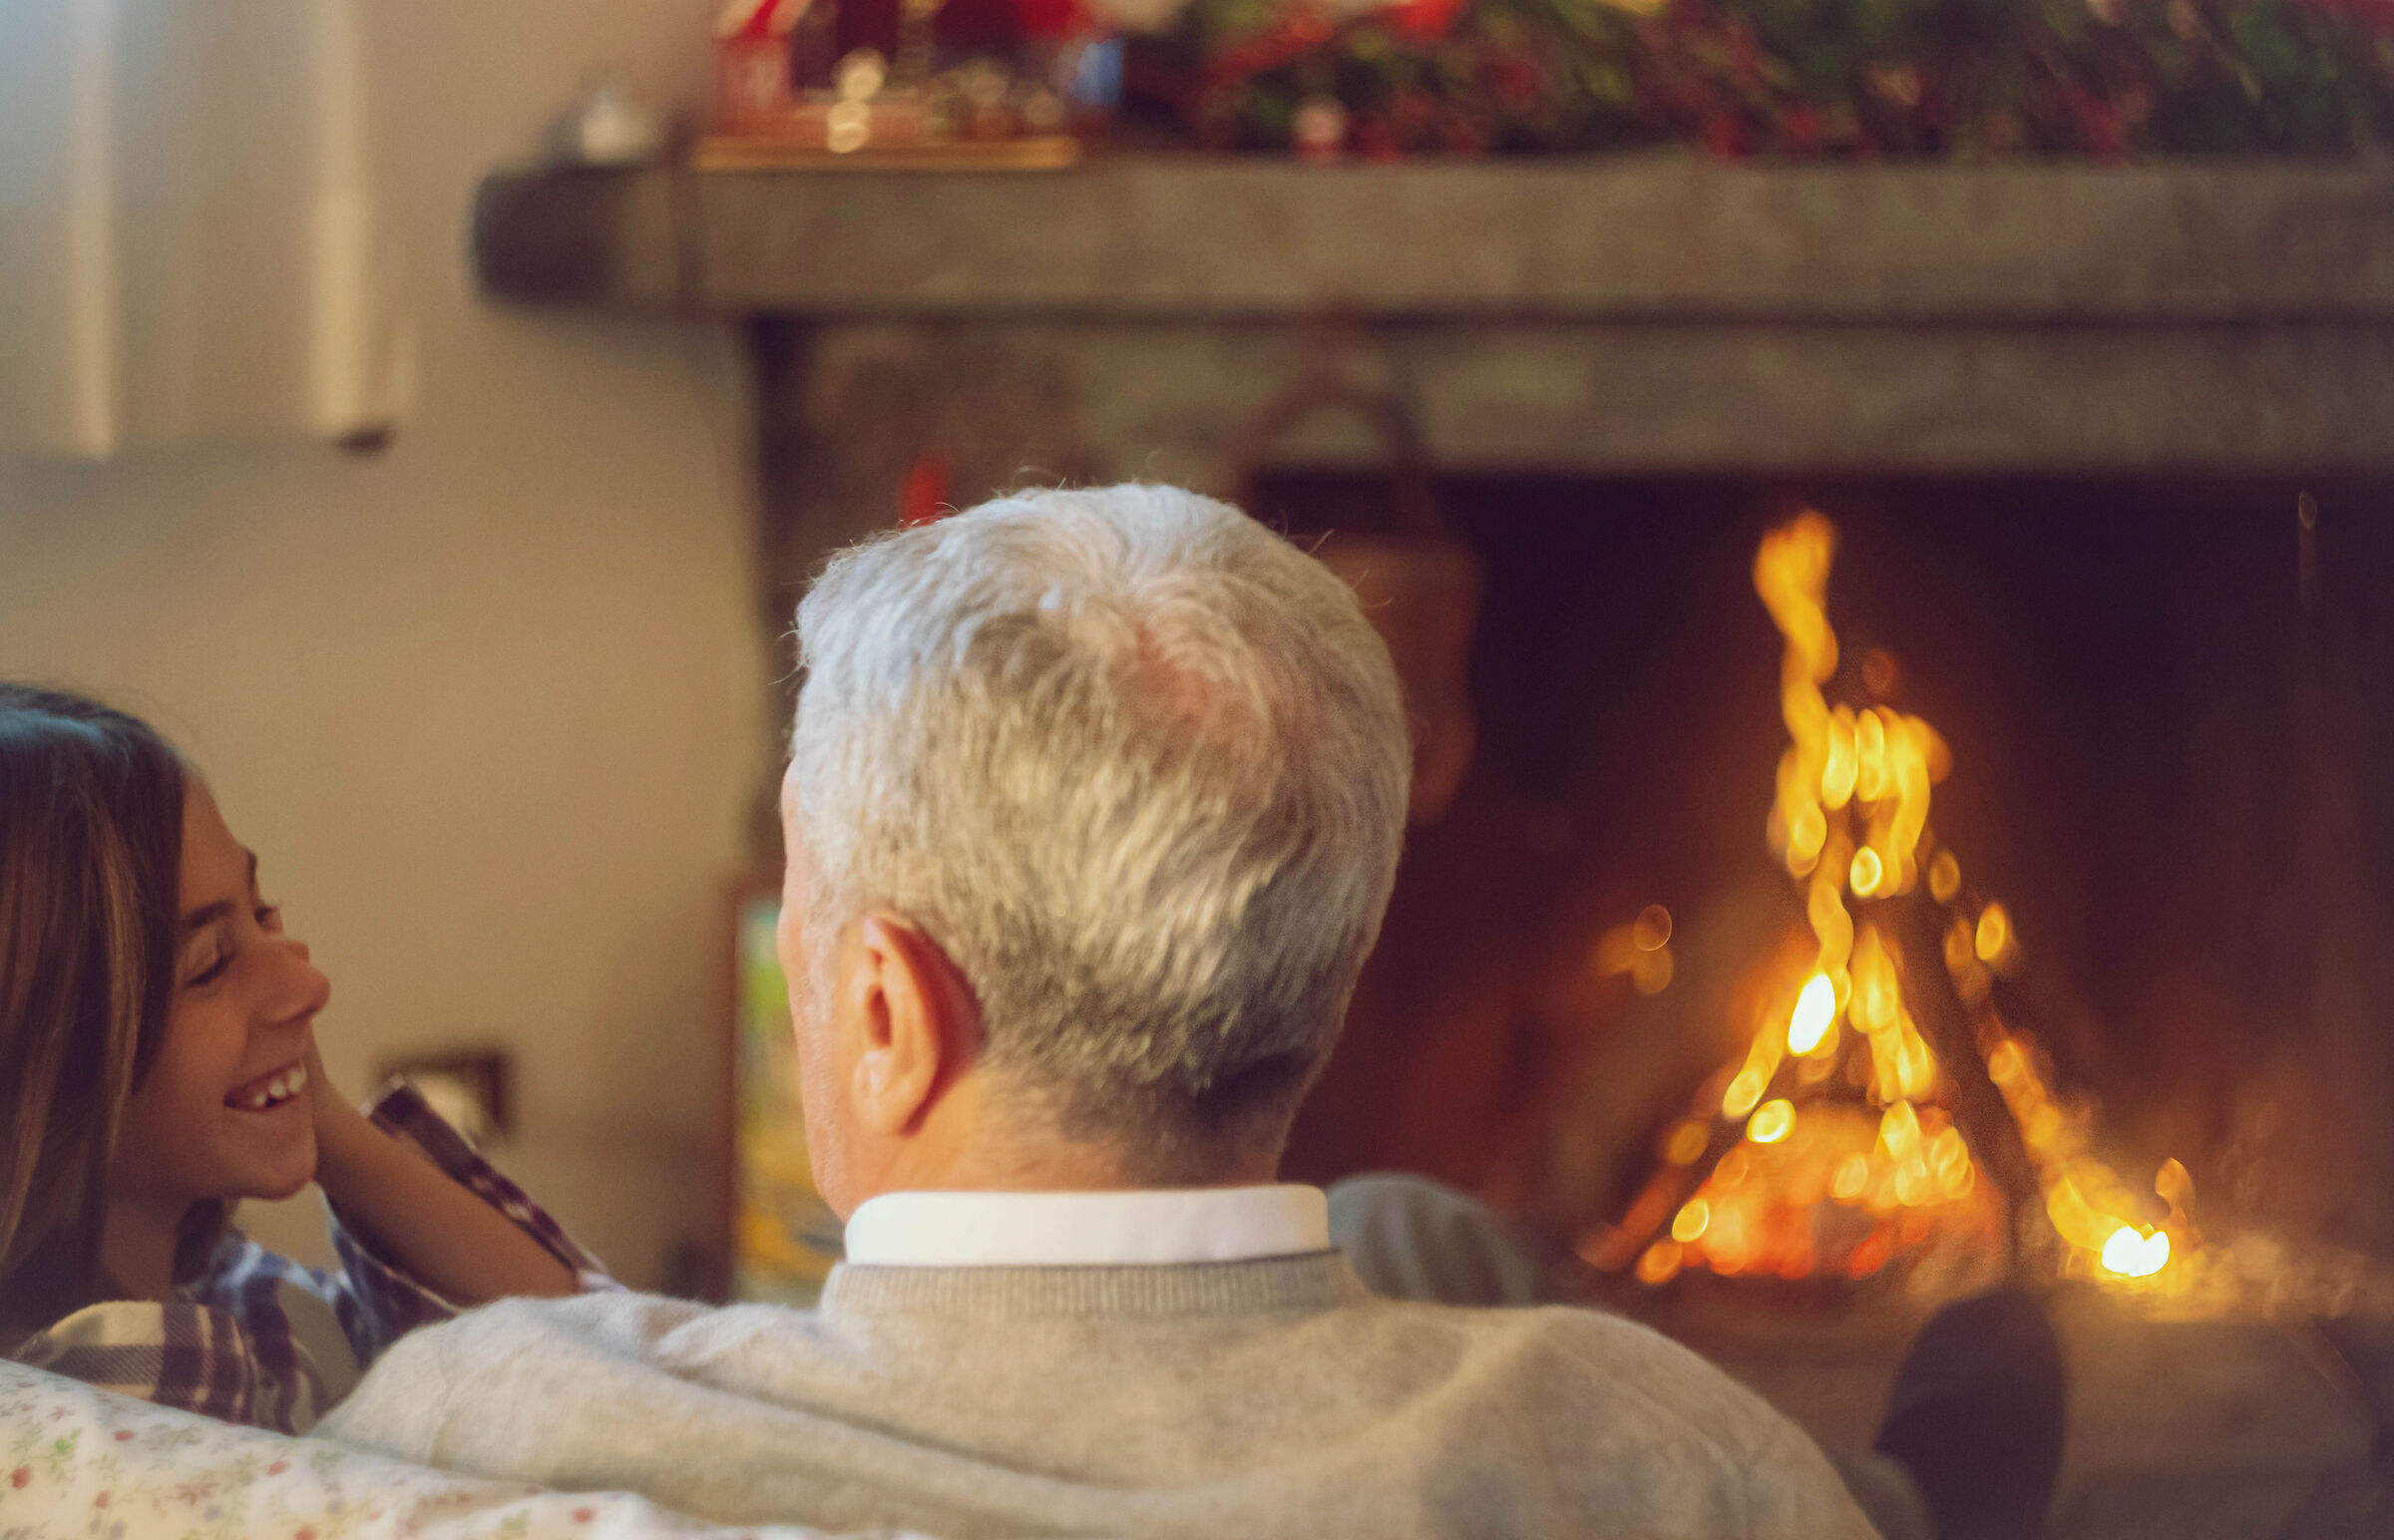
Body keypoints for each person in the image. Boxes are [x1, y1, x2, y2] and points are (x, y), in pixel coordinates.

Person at [323, 484, 1878, 1538]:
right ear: (1332, 962)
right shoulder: (1667, 1464)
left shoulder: (490, 1435)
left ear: (888, 1016)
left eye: (806, 905)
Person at [0, 684, 603, 1432]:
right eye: (210, 964)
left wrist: (329, 1130)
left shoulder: (247, 1300)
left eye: (263, 913)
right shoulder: (90, 1420)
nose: (309, 986)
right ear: (40, 1076)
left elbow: (592, 1352)